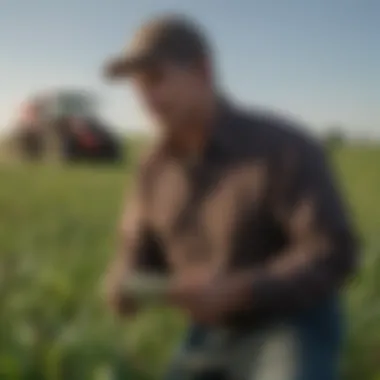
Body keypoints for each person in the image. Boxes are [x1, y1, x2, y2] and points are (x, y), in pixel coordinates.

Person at [103, 14, 358, 380]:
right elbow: (139, 249)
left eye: (156, 78)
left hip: (290, 325)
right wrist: (125, 279)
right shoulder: (152, 168)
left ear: (202, 72)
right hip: (208, 332)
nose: (145, 96)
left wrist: (245, 290)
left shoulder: (282, 147)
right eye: (138, 84)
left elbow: (332, 250)